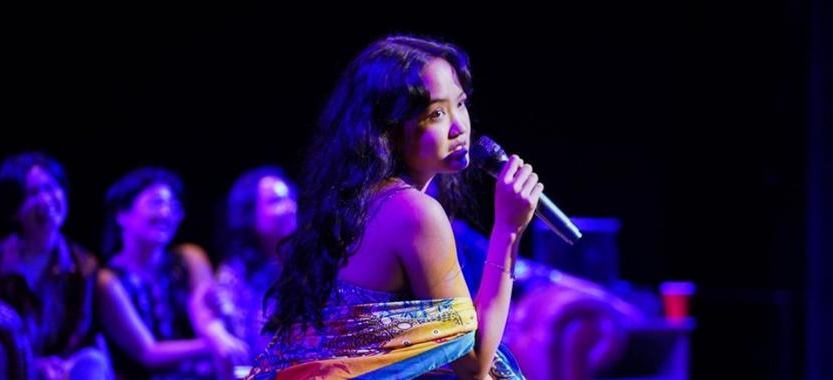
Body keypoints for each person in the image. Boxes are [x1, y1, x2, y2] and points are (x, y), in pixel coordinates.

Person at [246, 35, 543, 380]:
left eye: (460, 104)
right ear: (390, 129)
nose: (460, 128)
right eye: (436, 113)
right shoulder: (412, 212)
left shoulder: (358, 202)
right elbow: (473, 364)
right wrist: (508, 228)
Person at [96, 167, 248, 380]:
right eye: (156, 203)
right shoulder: (109, 280)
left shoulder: (190, 257)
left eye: (173, 206)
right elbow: (147, 353)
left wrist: (219, 323)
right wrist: (211, 343)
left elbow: (207, 319)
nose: (166, 213)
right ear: (122, 214)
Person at [0, 151, 113, 380]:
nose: (46, 200)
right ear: (13, 207)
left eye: (51, 188)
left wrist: (60, 366)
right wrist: (32, 363)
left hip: (63, 369)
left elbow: (85, 334)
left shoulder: (84, 265)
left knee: (93, 362)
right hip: (11, 368)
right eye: (32, 193)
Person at [212, 166, 297, 370]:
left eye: (290, 198)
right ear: (249, 213)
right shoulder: (235, 271)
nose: (290, 207)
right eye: (276, 201)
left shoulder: (312, 261)